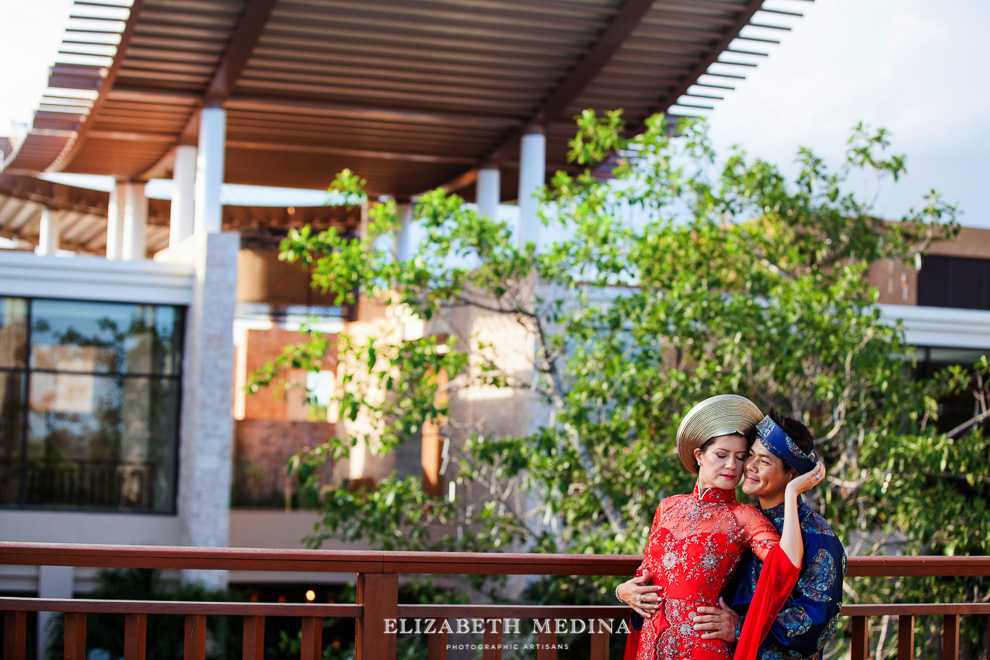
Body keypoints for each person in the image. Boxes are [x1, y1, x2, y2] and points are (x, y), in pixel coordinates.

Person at [616, 394, 825, 660]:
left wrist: (792, 491)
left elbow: (785, 564)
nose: (732, 466)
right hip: (650, 643)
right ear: (699, 455)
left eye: (740, 457)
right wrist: (623, 591)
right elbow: (645, 575)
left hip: (701, 645)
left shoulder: (744, 516)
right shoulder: (667, 506)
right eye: (722, 455)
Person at [691, 411, 847, 659]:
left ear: (793, 474)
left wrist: (740, 628)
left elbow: (815, 622)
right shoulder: (740, 520)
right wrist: (634, 590)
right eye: (750, 456)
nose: (749, 467)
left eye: (764, 461)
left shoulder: (818, 536)